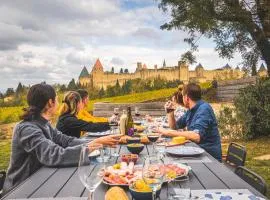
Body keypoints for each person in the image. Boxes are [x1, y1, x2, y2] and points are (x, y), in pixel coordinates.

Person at [3, 83, 120, 193]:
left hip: (42, 181)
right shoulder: (27, 129)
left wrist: (96, 142)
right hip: (21, 189)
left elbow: (66, 140)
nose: (59, 103)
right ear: (50, 102)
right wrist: (88, 148)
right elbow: (52, 154)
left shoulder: (44, 124)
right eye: (57, 99)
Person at [158, 83, 222, 161]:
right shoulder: (191, 110)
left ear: (186, 98)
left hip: (209, 158)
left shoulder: (204, 109)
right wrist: (170, 113)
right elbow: (174, 127)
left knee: (169, 161)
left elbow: (196, 136)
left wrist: (167, 132)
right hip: (196, 153)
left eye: (182, 96)